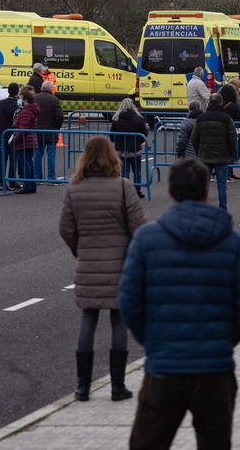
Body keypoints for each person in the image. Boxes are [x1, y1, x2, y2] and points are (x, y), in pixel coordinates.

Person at [119, 159, 240, 449]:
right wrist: (223, 341)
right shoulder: (229, 240)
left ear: (170, 191)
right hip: (215, 369)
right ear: (205, 192)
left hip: (164, 365)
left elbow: (129, 301)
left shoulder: (148, 239)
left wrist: (153, 340)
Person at [59, 137, 146, 403]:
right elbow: (138, 227)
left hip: (88, 262)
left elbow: (66, 229)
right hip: (120, 263)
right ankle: (117, 385)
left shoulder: (74, 190)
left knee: (88, 319)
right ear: (113, 157)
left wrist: (80, 250)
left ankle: (82, 386)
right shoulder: (123, 188)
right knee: (119, 320)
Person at [191, 93, 236, 211]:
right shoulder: (227, 119)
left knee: (204, 186)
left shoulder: (201, 118)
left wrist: (198, 152)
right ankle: (223, 209)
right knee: (221, 186)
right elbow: (232, 137)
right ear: (221, 103)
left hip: (204, 155)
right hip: (222, 156)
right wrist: (231, 153)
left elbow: (194, 138)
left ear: (209, 103)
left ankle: (202, 209)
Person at [110, 98, 148, 198]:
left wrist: (117, 142)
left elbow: (111, 135)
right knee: (137, 171)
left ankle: (125, 191)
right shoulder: (138, 118)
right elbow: (144, 133)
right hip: (135, 149)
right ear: (132, 106)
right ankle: (137, 190)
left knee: (124, 172)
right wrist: (139, 142)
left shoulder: (116, 119)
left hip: (121, 150)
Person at [33, 81, 64, 184]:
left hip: (37, 131)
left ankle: (37, 177)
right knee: (51, 155)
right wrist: (57, 127)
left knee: (37, 154)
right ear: (51, 89)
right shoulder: (54, 100)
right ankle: (51, 178)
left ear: (42, 87)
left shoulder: (35, 98)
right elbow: (59, 116)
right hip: (51, 131)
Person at [0, 83, 21, 192]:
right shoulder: (18, 105)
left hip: (2, 134)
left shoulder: (1, 103)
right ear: (17, 92)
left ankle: (1, 181)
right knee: (13, 158)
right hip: (13, 135)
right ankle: (12, 181)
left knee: (3, 158)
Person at [13, 89, 40, 194]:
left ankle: (27, 186)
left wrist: (15, 140)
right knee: (29, 163)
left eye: (21, 99)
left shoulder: (26, 111)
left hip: (25, 141)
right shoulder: (32, 110)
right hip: (31, 140)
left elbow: (22, 128)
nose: (19, 101)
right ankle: (31, 185)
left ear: (26, 100)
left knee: (26, 164)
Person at [219, 83, 240, 181]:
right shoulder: (234, 106)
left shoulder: (218, 104)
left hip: (219, 131)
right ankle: (228, 174)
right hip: (230, 132)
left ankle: (221, 173)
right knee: (230, 153)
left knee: (219, 153)